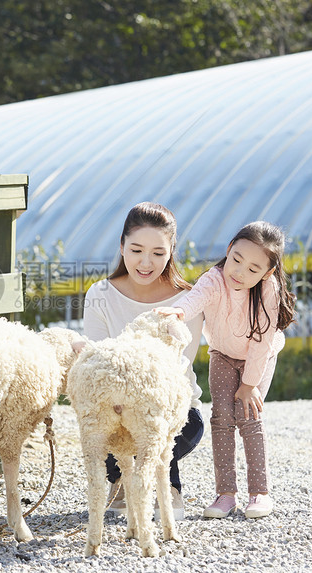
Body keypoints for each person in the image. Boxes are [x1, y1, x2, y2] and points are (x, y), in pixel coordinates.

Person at [156, 220, 296, 519]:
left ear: (268, 272)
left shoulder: (268, 290)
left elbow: (262, 341)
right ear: (229, 249)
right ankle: (226, 494)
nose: (240, 272)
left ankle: (259, 493)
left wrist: (249, 384)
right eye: (237, 260)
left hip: (258, 359)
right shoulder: (214, 278)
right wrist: (179, 311)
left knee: (248, 416)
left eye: (253, 269)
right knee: (221, 419)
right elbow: (196, 298)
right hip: (222, 354)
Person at [82, 201, 205, 520]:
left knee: (163, 419)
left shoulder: (187, 301)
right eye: (136, 249)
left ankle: (160, 484)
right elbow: (96, 360)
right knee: (105, 417)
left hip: (171, 410)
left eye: (158, 253)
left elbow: (177, 367)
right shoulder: (100, 295)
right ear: (121, 246)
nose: (146, 262)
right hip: (115, 406)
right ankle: (123, 480)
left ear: (171, 251)